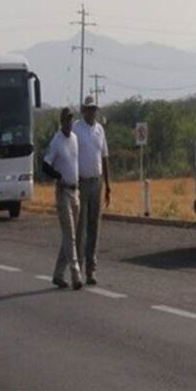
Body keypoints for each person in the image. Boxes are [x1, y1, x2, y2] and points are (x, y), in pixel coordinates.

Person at [43, 107, 83, 290]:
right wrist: (57, 176)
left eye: (71, 120)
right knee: (70, 234)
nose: (69, 123)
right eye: (66, 120)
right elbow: (45, 164)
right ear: (61, 122)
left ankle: (58, 273)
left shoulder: (74, 139)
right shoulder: (57, 141)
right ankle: (76, 273)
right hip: (63, 192)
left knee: (70, 235)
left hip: (75, 191)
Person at [74, 96, 111, 286]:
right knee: (81, 228)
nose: (91, 112)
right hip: (81, 182)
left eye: (94, 109)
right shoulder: (76, 128)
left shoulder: (99, 130)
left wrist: (108, 185)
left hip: (97, 182)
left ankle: (91, 269)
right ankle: (78, 267)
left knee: (94, 227)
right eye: (88, 109)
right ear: (83, 110)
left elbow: (104, 157)